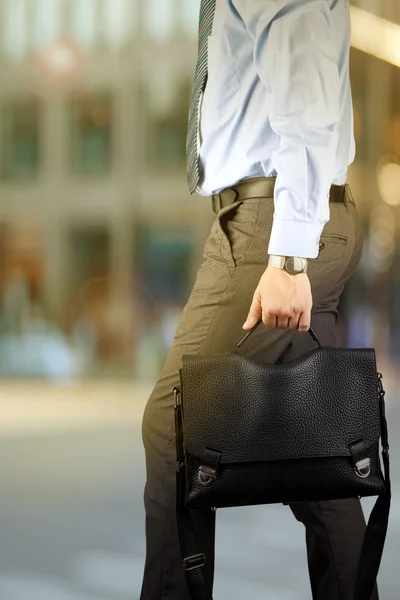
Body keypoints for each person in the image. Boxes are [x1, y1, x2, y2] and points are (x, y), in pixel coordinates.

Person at [140, 1, 378, 599]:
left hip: (272, 226)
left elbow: (306, 100)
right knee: (311, 438)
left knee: (175, 425)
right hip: (262, 222)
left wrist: (288, 255)